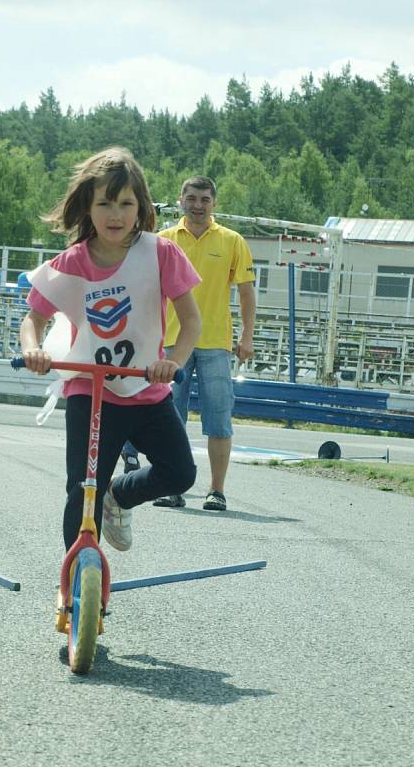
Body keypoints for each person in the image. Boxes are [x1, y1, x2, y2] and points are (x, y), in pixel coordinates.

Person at [19, 147, 202, 552]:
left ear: (141, 207)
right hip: (92, 390)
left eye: (125, 203)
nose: (115, 215)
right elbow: (32, 320)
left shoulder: (160, 253)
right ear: (88, 207)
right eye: (104, 203)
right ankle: (79, 585)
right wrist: (34, 351)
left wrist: (172, 362)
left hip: (144, 388)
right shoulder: (70, 263)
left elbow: (191, 322)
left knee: (180, 472)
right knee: (83, 490)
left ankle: (118, 497)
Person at [122, 175, 256, 511]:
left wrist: (247, 334)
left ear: (214, 203)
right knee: (169, 418)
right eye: (192, 198)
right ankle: (172, 487)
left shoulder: (232, 241)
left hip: (215, 343)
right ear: (180, 199)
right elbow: (141, 289)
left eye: (205, 199)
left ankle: (216, 490)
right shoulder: (163, 240)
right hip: (169, 343)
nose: (198, 205)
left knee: (219, 419)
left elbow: (246, 291)